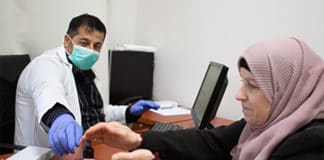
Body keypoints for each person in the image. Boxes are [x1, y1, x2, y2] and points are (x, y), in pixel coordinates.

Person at [81, 37, 324, 160]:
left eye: (252, 85)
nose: (239, 95)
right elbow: (211, 142)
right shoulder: (264, 125)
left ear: (287, 90)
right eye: (243, 82)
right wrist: (138, 140)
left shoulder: (312, 144)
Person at [14, 13, 159, 157]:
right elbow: (48, 92)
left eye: (97, 46)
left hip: (90, 146)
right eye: (84, 43)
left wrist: (128, 112)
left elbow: (95, 112)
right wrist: (60, 117)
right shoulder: (46, 64)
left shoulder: (85, 72)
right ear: (66, 41)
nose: (90, 50)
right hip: (46, 154)